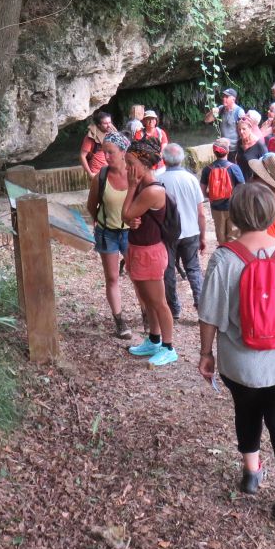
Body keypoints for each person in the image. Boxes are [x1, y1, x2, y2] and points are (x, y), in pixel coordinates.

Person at [197, 183, 275, 524]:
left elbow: (209, 314)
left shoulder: (224, 258)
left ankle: (252, 473)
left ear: (234, 215)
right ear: (271, 214)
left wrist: (206, 353)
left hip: (241, 362)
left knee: (246, 412)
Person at [122, 141, 178, 366]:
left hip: (150, 253)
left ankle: (168, 347)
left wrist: (131, 188)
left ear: (145, 165)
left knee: (158, 302)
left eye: (130, 164)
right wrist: (131, 219)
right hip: (137, 248)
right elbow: (128, 217)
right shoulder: (142, 187)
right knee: (147, 299)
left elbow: (125, 214)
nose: (127, 168)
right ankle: (154, 340)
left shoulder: (152, 190)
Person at [85, 132, 134, 340]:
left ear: (123, 152)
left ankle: (146, 314)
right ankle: (119, 320)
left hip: (132, 233)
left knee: (137, 275)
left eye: (110, 152)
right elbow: (91, 206)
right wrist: (100, 222)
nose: (106, 156)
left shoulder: (135, 174)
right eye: (104, 152)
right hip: (107, 233)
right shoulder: (101, 176)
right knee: (112, 277)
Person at [157, 143, 207, 321]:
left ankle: (174, 308)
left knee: (168, 271)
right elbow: (201, 213)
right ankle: (201, 306)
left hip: (167, 234)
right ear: (182, 159)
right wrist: (203, 236)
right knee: (193, 269)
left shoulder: (159, 180)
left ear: (164, 160)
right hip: (191, 231)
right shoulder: (191, 179)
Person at [200, 137, 244, 245]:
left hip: (216, 207)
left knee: (220, 236)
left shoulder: (207, 169)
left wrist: (212, 196)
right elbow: (242, 188)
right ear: (227, 151)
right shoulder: (234, 168)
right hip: (232, 207)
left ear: (214, 152)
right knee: (234, 236)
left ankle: (223, 251)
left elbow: (202, 191)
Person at [79, 109, 116, 177]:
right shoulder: (91, 137)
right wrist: (90, 173)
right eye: (105, 123)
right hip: (97, 172)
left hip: (111, 170)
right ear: (99, 125)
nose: (109, 125)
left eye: (109, 122)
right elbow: (82, 156)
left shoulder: (113, 133)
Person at [233, 115, 268, 182]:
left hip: (254, 182)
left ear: (250, 128)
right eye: (239, 129)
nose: (241, 132)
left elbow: (266, 165)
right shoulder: (239, 143)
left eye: (244, 129)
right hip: (241, 180)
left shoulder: (259, 145)